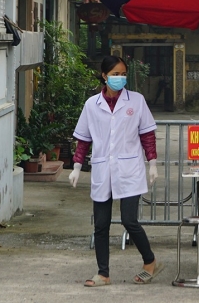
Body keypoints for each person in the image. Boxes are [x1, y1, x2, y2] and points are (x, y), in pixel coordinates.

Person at [68, 55, 162, 287]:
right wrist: (77, 167)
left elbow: (147, 135)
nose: (120, 78)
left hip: (130, 168)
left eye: (123, 74)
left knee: (130, 221)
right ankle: (103, 273)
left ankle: (150, 262)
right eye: (115, 74)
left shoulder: (136, 101)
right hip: (102, 169)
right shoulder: (92, 104)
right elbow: (83, 139)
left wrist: (152, 163)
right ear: (104, 75)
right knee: (101, 224)